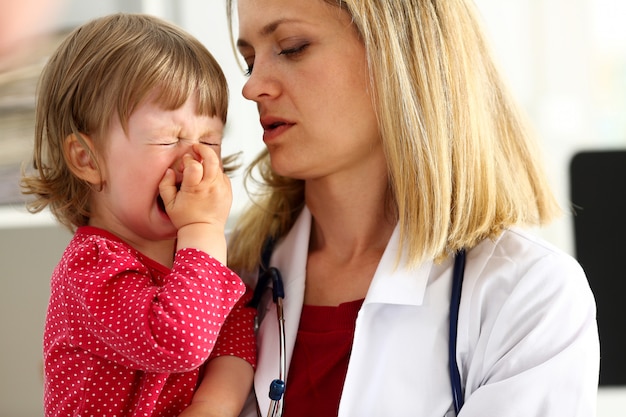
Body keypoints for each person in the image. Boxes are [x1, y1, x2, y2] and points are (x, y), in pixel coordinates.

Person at [224, 0, 600, 416]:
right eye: (249, 61)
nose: (252, 86)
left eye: (292, 47)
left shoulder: (529, 295)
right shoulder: (218, 277)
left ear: (400, 53)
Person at [20, 13, 255, 417]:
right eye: (168, 138)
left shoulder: (198, 256)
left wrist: (213, 405)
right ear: (86, 159)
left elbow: (237, 332)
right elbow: (181, 340)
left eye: (210, 140)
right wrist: (203, 228)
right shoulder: (90, 267)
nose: (195, 158)